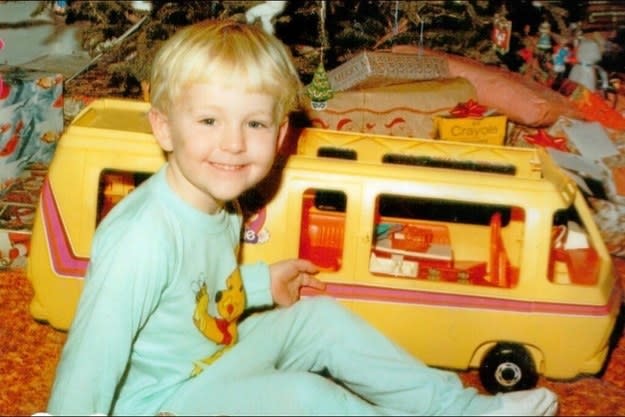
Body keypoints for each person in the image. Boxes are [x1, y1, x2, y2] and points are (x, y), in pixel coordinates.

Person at [44, 19, 558, 416]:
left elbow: (192, 296)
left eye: (254, 123)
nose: (233, 144)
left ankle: (461, 409)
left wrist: (260, 283)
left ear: (283, 134)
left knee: (319, 320)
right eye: (208, 120)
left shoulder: (221, 202)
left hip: (207, 360)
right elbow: (90, 357)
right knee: (305, 397)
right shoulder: (143, 238)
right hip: (161, 404)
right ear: (163, 128)